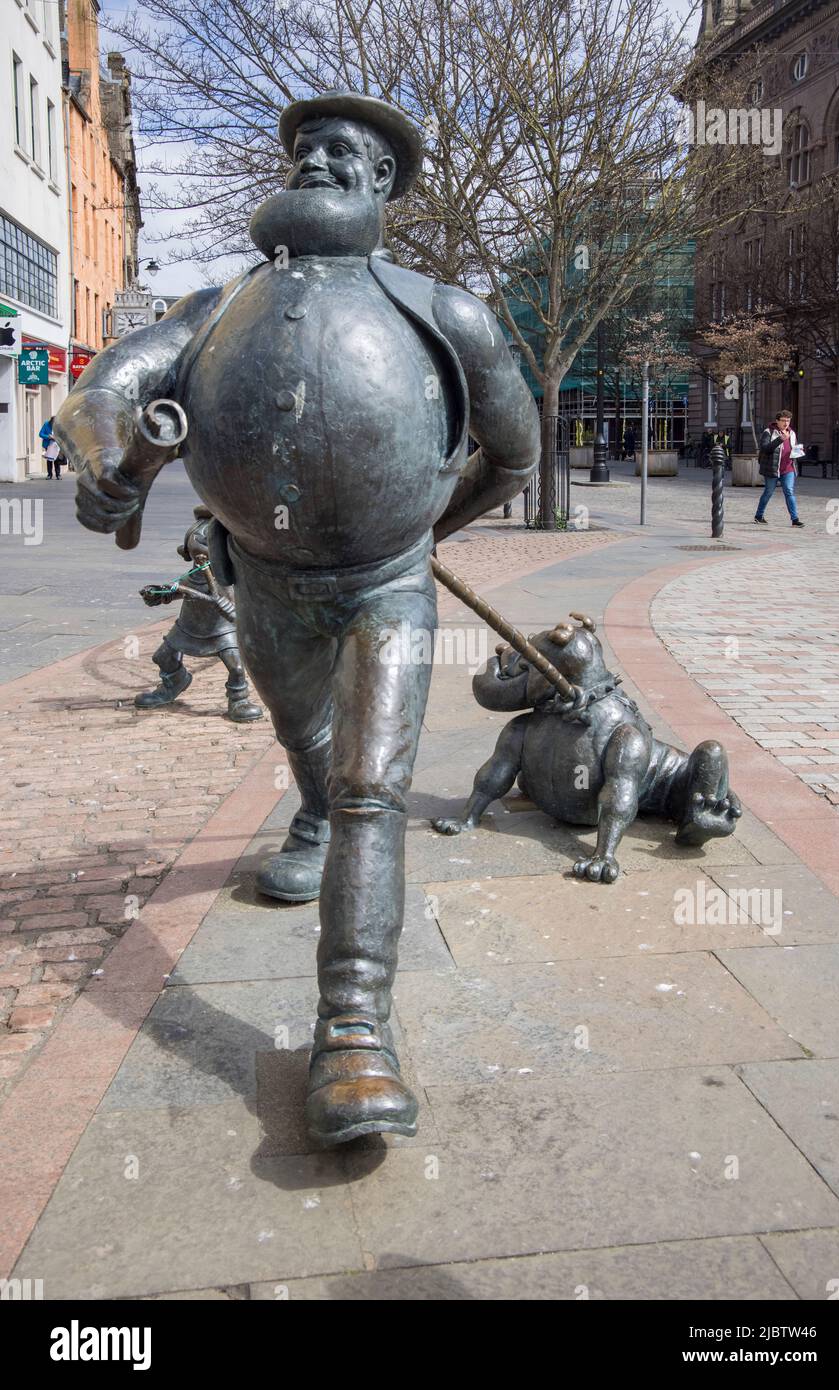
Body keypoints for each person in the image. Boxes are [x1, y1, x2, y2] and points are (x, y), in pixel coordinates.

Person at [53, 90, 540, 1147]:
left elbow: (517, 452)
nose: (316, 164)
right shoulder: (219, 305)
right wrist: (104, 459)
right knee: (307, 739)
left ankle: (354, 1030)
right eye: (306, 149)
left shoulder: (440, 308)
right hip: (265, 579)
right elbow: (105, 387)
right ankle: (311, 815)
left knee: (375, 785)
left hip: (386, 582)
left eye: (342, 154)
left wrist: (423, 527)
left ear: (380, 183)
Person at [136, 506, 263, 722]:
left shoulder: (228, 581)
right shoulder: (191, 578)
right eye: (195, 544)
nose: (201, 551)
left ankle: (239, 699)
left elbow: (231, 610)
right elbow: (172, 592)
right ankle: (174, 682)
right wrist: (156, 593)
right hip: (187, 628)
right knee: (162, 657)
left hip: (221, 632)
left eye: (207, 544)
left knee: (237, 667)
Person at [755, 409, 805, 527]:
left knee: (789, 491)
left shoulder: (792, 433)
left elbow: (793, 448)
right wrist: (780, 439)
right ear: (777, 421)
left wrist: (799, 451)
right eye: (783, 421)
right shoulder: (769, 432)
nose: (786, 423)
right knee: (768, 492)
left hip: (788, 468)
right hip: (772, 468)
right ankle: (759, 515)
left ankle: (795, 519)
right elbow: (765, 448)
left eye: (788, 421)